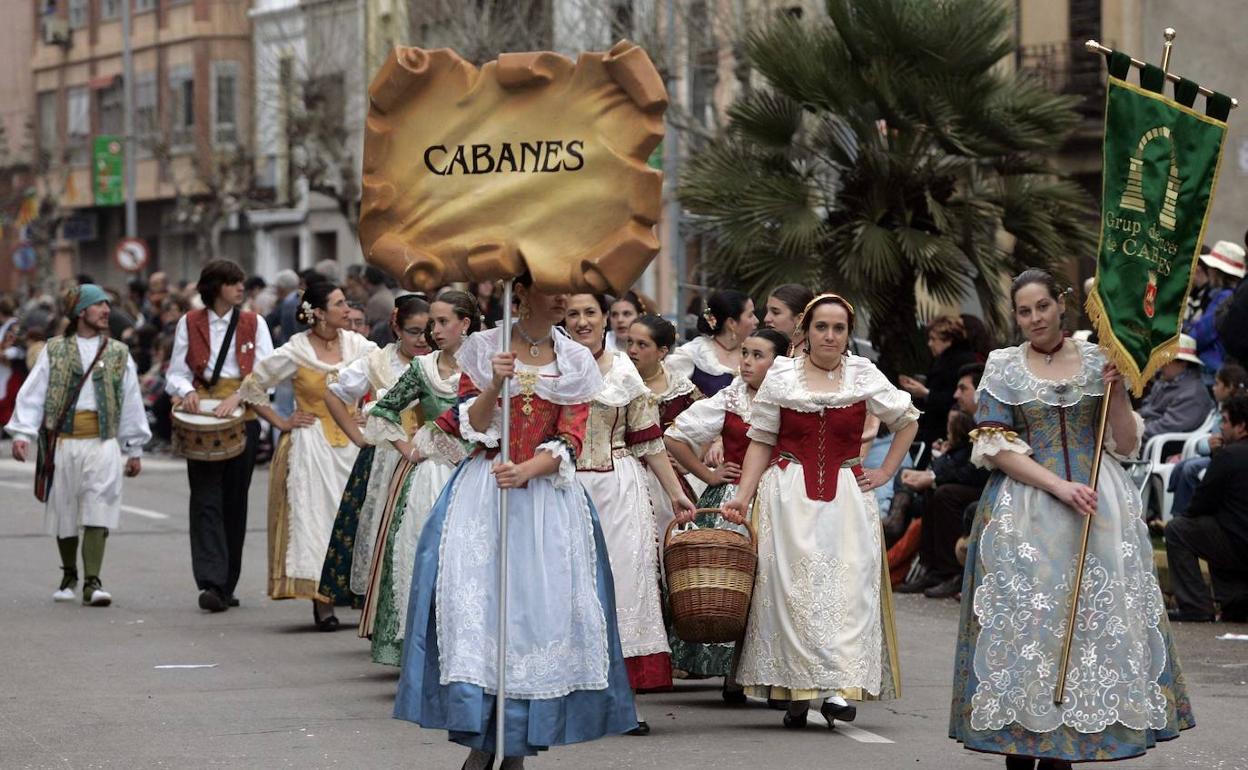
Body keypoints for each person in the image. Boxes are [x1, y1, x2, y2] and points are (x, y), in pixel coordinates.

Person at [949, 269, 1192, 768]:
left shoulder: (1100, 361)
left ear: (1061, 305)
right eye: (1023, 311)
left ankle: (1065, 750)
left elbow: (1124, 445)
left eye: (1042, 306)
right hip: (1025, 511)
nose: (1034, 318)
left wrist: (1119, 391)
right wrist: (1057, 484)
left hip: (1097, 513)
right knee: (1029, 632)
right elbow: (995, 448)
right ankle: (1020, 743)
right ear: (1015, 316)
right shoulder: (1002, 366)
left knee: (1083, 632)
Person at [393, 276, 636, 768]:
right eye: (553, 289)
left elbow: (571, 437)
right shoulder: (484, 348)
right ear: (522, 294)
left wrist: (528, 469)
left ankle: (517, 745)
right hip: (484, 494)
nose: (564, 299)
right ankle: (483, 740)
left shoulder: (574, 360)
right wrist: (496, 382)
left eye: (568, 290)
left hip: (546, 499)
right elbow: (470, 424)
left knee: (534, 619)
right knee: (483, 614)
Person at [723, 293, 917, 729]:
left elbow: (907, 420)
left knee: (847, 590)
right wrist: (742, 495)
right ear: (805, 332)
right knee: (791, 593)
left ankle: (834, 688)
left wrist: (886, 470)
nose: (830, 336)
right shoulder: (782, 376)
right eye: (821, 327)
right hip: (788, 496)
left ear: (848, 334)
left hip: (847, 498)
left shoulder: (863, 374)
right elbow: (762, 440)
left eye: (839, 328)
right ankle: (795, 692)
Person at [565, 293, 697, 732]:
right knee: (567, 590)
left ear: (606, 319)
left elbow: (649, 439)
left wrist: (676, 492)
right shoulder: (551, 367)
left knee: (628, 590)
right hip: (562, 487)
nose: (583, 321)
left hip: (620, 488)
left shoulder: (624, 370)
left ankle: (626, 707)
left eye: (591, 313)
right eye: (574, 314)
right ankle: (565, 698)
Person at [237, 282, 377, 626]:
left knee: (357, 518)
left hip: (353, 442)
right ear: (318, 312)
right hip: (312, 444)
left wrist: (368, 411)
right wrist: (282, 422)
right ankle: (323, 600)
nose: (348, 311)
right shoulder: (296, 350)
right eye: (340, 304)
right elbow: (252, 388)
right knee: (316, 521)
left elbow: (386, 375)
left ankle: (356, 594)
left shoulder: (359, 346)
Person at [6, 285, 150, 606]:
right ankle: (69, 574)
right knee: (65, 509)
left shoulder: (118, 353)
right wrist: (22, 434)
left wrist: (135, 447)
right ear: (81, 311)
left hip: (102, 441)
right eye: (98, 305)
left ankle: (93, 582)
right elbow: (33, 393)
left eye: (106, 305)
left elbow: (131, 401)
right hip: (63, 442)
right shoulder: (54, 350)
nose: (105, 311)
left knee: (99, 504)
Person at [663, 327, 789, 692]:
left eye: (757, 355)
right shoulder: (732, 397)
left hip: (779, 497)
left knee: (772, 584)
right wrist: (708, 474)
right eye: (745, 353)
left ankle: (770, 671)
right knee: (734, 583)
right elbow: (673, 436)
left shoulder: (791, 399)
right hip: (734, 499)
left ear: (779, 363)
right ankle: (733, 670)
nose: (746, 362)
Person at [359, 290, 478, 665]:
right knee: (419, 557)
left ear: (466, 324)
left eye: (444, 322)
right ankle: (423, 652)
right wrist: (407, 448)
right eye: (432, 323)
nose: (436, 330)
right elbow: (383, 408)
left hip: (475, 475)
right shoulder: (423, 369)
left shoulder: (486, 368)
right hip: (430, 476)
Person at [312, 294, 430, 630]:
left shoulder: (439, 361)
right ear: (396, 326)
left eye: (427, 331)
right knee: (377, 532)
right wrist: (357, 435)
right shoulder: (377, 362)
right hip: (383, 459)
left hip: (428, 456)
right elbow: (334, 393)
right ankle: (376, 615)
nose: (421, 339)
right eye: (413, 331)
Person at [165, 260, 275, 612]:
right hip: (201, 415)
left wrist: (239, 396)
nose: (240, 287)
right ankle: (211, 582)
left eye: (241, 281)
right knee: (205, 500)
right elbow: (175, 372)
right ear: (215, 287)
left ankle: (227, 582)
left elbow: (266, 370)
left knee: (234, 501)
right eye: (232, 282)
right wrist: (186, 391)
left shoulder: (253, 323)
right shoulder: (190, 322)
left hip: (241, 414)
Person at [1163, 394, 1248, 623]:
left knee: (1179, 529)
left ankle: (1195, 606)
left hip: (1238, 545)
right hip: (1238, 539)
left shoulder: (1229, 455)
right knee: (1219, 526)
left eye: (1226, 422)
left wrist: (1180, 516)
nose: (1221, 427)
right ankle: (1235, 603)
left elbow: (1201, 503)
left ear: (1241, 427)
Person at [892, 408, 988, 598]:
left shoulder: (985, 422)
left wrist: (934, 477)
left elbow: (974, 471)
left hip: (982, 486)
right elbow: (950, 465)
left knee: (944, 493)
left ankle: (950, 570)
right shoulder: (965, 433)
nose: (957, 395)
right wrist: (936, 469)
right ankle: (931, 568)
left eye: (963, 389)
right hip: (963, 481)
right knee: (928, 488)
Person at [627, 314, 703, 551]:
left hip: (664, 480)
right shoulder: (617, 381)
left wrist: (689, 460)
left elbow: (712, 428)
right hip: (625, 475)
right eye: (629, 342)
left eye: (642, 345)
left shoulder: (681, 389)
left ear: (662, 352)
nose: (632, 350)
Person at [1168, 363, 1248, 517]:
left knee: (1189, 468)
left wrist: (1211, 446)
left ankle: (1183, 516)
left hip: (1231, 458)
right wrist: (1208, 444)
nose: (1213, 387)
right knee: (1181, 466)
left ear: (1230, 386)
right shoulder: (1221, 408)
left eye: (1217, 383)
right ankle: (1176, 512)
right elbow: (1213, 436)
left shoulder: (1238, 410)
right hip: (1220, 454)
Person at [899, 315, 979, 449]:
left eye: (933, 339)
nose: (930, 344)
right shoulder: (943, 360)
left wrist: (926, 393)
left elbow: (953, 398)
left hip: (947, 430)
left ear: (948, 340)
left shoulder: (960, 362)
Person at [667, 289, 757, 397]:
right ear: (731, 323)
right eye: (750, 315)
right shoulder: (695, 354)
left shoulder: (757, 353)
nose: (756, 321)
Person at [1184, 240, 1244, 381]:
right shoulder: (1230, 295)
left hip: (1209, 370)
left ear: (1218, 272)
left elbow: (1200, 335)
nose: (1208, 270)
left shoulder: (1224, 298)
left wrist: (1184, 327)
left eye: (1211, 267)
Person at [1138, 334, 1214, 444]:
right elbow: (1147, 407)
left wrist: (1132, 431)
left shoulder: (1193, 394)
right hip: (1145, 434)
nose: (1161, 364)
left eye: (1167, 359)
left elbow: (1166, 427)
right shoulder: (1164, 380)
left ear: (1183, 363)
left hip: (1162, 444)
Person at [762, 283, 814, 352]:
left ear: (800, 319)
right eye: (767, 311)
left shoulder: (813, 359)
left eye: (775, 312)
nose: (766, 319)